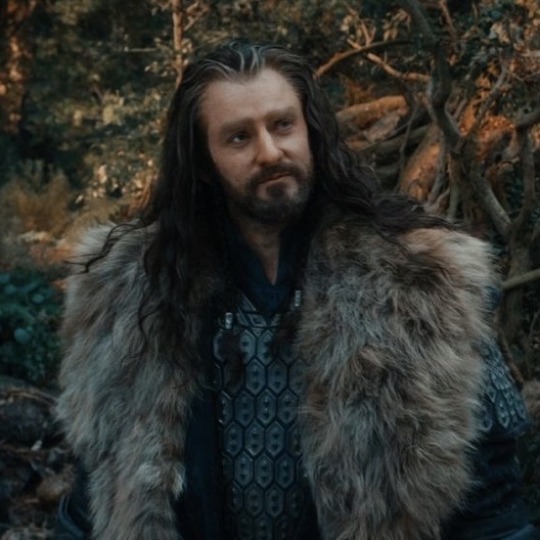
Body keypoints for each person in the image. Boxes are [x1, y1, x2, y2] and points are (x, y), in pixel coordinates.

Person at [54, 40, 538, 540]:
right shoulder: (131, 293)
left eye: (282, 125)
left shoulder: (421, 282)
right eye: (239, 137)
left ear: (311, 129)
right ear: (203, 163)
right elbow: (95, 498)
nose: (269, 152)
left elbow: (494, 511)